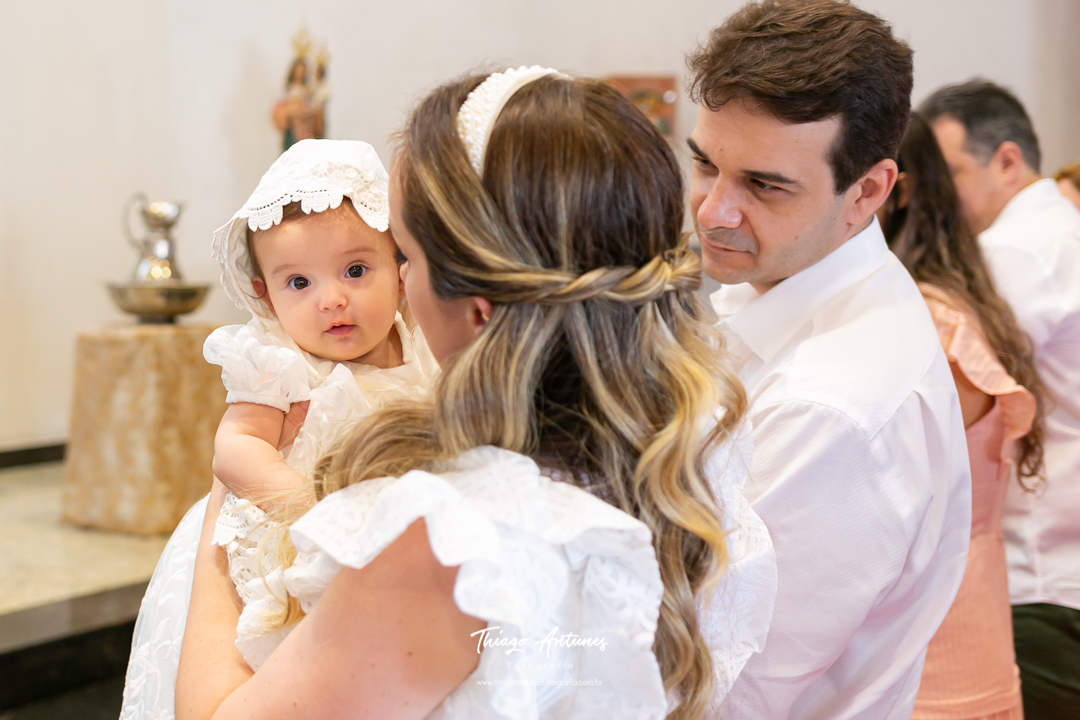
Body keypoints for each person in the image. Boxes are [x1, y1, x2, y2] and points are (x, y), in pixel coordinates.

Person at [172, 67, 776, 720]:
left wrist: (224, 514)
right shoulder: (692, 450)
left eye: (405, 256)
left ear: (480, 312)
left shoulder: (449, 543)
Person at [685, 2, 972, 717]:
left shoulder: (833, 410)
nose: (713, 210)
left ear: (867, 191)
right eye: (705, 164)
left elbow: (728, 691)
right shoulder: (782, 288)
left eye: (764, 185)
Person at [119, 139, 438, 720]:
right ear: (264, 294)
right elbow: (235, 449)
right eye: (299, 283)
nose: (331, 299)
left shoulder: (419, 345)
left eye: (356, 270)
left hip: (397, 549)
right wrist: (312, 507)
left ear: (399, 270)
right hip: (284, 535)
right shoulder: (279, 360)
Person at [921, 79, 1080, 720]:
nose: (935, 198)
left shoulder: (1015, 251)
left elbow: (932, 374)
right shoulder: (1063, 234)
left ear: (1007, 161)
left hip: (1040, 576)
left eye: (949, 174)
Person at [880, 111, 1046, 720]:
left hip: (936, 645)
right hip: (953, 626)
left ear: (894, 190)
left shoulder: (927, 320)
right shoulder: (941, 303)